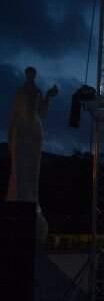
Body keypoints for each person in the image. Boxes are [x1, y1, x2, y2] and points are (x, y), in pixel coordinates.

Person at [6, 66, 58, 243]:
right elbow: (14, 113)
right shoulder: (20, 92)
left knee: (32, 171)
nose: (31, 76)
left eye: (33, 74)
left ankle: (31, 203)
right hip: (21, 131)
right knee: (18, 170)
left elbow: (42, 113)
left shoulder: (37, 92)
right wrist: (10, 136)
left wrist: (49, 97)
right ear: (26, 75)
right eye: (29, 73)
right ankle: (17, 201)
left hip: (34, 131)